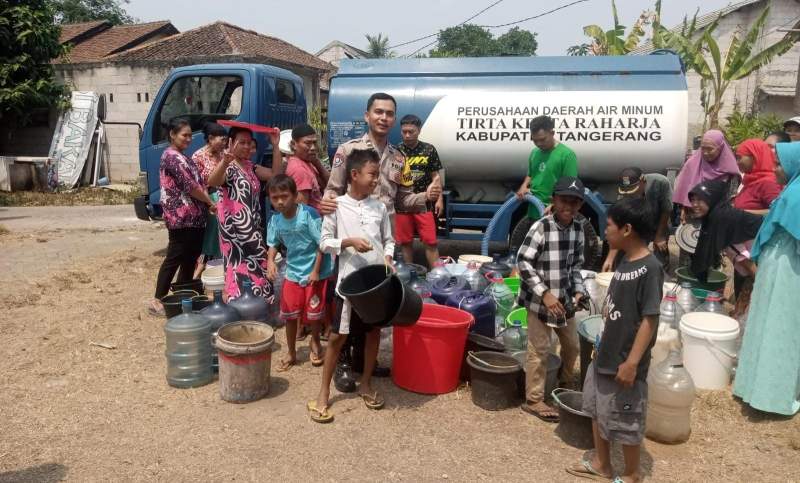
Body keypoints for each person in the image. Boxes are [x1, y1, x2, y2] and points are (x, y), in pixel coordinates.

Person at [319, 92, 441, 392]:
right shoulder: (349, 151)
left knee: (373, 307)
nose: (384, 118)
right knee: (347, 304)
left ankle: (364, 361)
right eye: (379, 112)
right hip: (351, 242)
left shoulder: (400, 157)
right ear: (367, 115)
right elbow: (332, 190)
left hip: (380, 238)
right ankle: (344, 363)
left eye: (389, 113)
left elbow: (402, 200)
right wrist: (326, 205)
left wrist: (425, 198)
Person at [567, 196, 662, 483]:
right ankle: (601, 464)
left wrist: (632, 362)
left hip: (624, 362)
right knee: (599, 410)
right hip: (604, 356)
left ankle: (632, 474)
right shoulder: (624, 261)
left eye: (609, 225)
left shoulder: (650, 268)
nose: (605, 230)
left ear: (627, 229)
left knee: (626, 418)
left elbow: (650, 318)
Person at [309, 149, 395, 423]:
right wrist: (348, 242)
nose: (376, 180)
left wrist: (389, 258)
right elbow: (324, 242)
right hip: (347, 282)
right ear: (354, 175)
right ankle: (323, 394)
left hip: (375, 283)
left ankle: (366, 384)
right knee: (337, 336)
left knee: (372, 334)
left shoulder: (379, 207)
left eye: (378, 175)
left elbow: (388, 239)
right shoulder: (337, 206)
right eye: (372, 174)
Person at [733, 142, 800, 416]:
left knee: (778, 324)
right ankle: (768, 392)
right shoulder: (792, 191)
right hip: (781, 264)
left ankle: (763, 391)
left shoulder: (795, 195)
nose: (774, 169)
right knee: (775, 323)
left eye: (779, 164)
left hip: (787, 266)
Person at [516, 176, 587, 422]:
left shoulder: (579, 229)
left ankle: (564, 386)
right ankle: (534, 399)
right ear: (553, 201)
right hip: (539, 302)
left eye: (575, 203)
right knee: (540, 350)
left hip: (564, 301)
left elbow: (576, 265)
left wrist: (579, 291)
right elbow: (523, 262)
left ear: (580, 205)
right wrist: (544, 294)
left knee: (572, 346)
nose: (568, 207)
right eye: (564, 201)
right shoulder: (542, 227)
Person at [149, 118, 216, 316]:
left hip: (194, 218)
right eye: (184, 135)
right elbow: (191, 187)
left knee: (190, 258)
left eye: (189, 135)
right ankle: (157, 299)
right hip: (180, 218)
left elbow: (199, 182)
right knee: (175, 257)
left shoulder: (184, 157)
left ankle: (183, 297)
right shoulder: (171, 157)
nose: (188, 139)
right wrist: (210, 202)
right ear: (172, 134)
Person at [266, 175, 332, 371]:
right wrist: (270, 261)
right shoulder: (276, 220)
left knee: (313, 314)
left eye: (284, 196)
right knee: (289, 314)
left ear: (295, 196)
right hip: (293, 272)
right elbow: (273, 243)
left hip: (315, 272)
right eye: (274, 197)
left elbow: (322, 244)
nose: (279, 201)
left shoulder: (308, 215)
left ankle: (315, 343)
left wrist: (315, 271)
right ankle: (291, 352)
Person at [207, 126, 279, 300]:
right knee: (237, 265)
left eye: (249, 143)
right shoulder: (228, 166)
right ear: (231, 143)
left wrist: (276, 146)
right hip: (233, 231)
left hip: (252, 227)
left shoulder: (251, 167)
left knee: (257, 263)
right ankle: (238, 301)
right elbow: (213, 181)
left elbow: (275, 174)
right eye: (242, 142)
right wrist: (225, 161)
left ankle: (259, 302)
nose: (247, 146)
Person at [688, 179, 762, 284]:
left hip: (764, 262)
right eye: (692, 200)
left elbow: (748, 263)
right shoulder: (718, 215)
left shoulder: (723, 222)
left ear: (711, 199)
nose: (694, 204)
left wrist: (764, 291)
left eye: (700, 200)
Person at [394, 114, 444, 268]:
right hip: (402, 205)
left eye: (411, 131)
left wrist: (440, 199)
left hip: (425, 204)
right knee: (405, 242)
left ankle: (437, 276)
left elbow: (436, 176)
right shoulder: (396, 151)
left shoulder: (429, 149)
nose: (407, 135)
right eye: (404, 132)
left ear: (419, 130)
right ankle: (409, 276)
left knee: (431, 242)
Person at [603, 167, 672, 272]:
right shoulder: (624, 195)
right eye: (627, 191)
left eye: (633, 190)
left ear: (643, 181)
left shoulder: (660, 182)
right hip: (638, 224)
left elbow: (666, 210)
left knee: (660, 254)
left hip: (659, 222)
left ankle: (662, 278)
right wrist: (610, 258)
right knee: (624, 255)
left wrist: (659, 236)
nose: (630, 194)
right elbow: (620, 227)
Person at [516, 115, 578, 219]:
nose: (539, 144)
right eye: (535, 140)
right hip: (533, 212)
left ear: (552, 133)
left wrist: (554, 205)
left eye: (542, 139)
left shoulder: (567, 155)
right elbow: (530, 175)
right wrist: (524, 186)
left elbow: (570, 187)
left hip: (554, 215)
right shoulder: (534, 153)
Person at [192, 122, 228, 278]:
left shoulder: (224, 154)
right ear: (211, 138)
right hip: (209, 200)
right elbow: (198, 185)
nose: (224, 143)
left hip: (224, 197)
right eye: (222, 139)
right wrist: (209, 203)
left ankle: (217, 269)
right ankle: (200, 271)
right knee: (211, 237)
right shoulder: (198, 157)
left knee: (222, 237)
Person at [673, 129, 741, 210]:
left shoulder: (730, 172)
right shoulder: (691, 164)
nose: (705, 152)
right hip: (693, 214)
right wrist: (683, 209)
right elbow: (682, 191)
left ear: (720, 148)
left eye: (710, 149)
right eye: (703, 148)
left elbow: (731, 198)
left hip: (719, 216)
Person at [285, 123, 330, 213]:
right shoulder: (299, 170)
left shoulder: (308, 162)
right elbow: (301, 211)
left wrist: (316, 162)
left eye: (314, 143)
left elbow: (330, 183)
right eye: (307, 143)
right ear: (294, 144)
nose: (313, 147)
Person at [734, 139, 782, 215]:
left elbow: (779, 212)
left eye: (739, 158)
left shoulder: (768, 183)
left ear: (754, 156)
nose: (737, 162)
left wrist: (741, 213)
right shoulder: (751, 181)